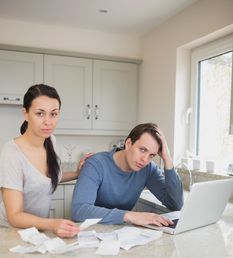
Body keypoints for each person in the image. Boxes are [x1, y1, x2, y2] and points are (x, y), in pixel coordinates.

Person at [0, 84, 90, 237]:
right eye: (40, 114)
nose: (48, 122)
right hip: (11, 233)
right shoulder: (11, 153)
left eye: (53, 114)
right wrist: (52, 223)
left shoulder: (51, 141)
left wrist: (77, 173)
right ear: (26, 114)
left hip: (39, 232)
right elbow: (14, 216)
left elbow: (49, 176)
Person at [71, 123, 184, 227]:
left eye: (151, 155)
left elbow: (176, 204)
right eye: (142, 150)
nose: (145, 159)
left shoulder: (147, 169)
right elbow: (79, 210)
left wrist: (167, 158)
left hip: (121, 235)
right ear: (128, 144)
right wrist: (131, 216)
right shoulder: (96, 164)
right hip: (91, 233)